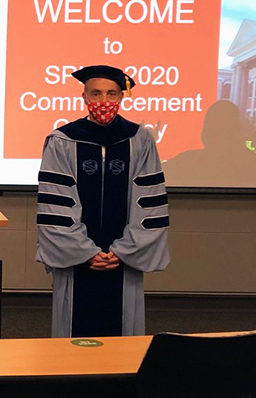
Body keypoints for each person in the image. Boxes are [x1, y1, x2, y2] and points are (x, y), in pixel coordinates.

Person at [35, 65, 170, 338]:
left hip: (122, 260)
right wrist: (84, 251)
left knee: (122, 337)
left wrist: (124, 250)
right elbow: (56, 203)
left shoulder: (140, 139)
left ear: (122, 97)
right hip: (77, 262)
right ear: (84, 98)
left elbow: (149, 201)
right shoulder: (63, 140)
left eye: (111, 94)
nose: (103, 102)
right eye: (95, 94)